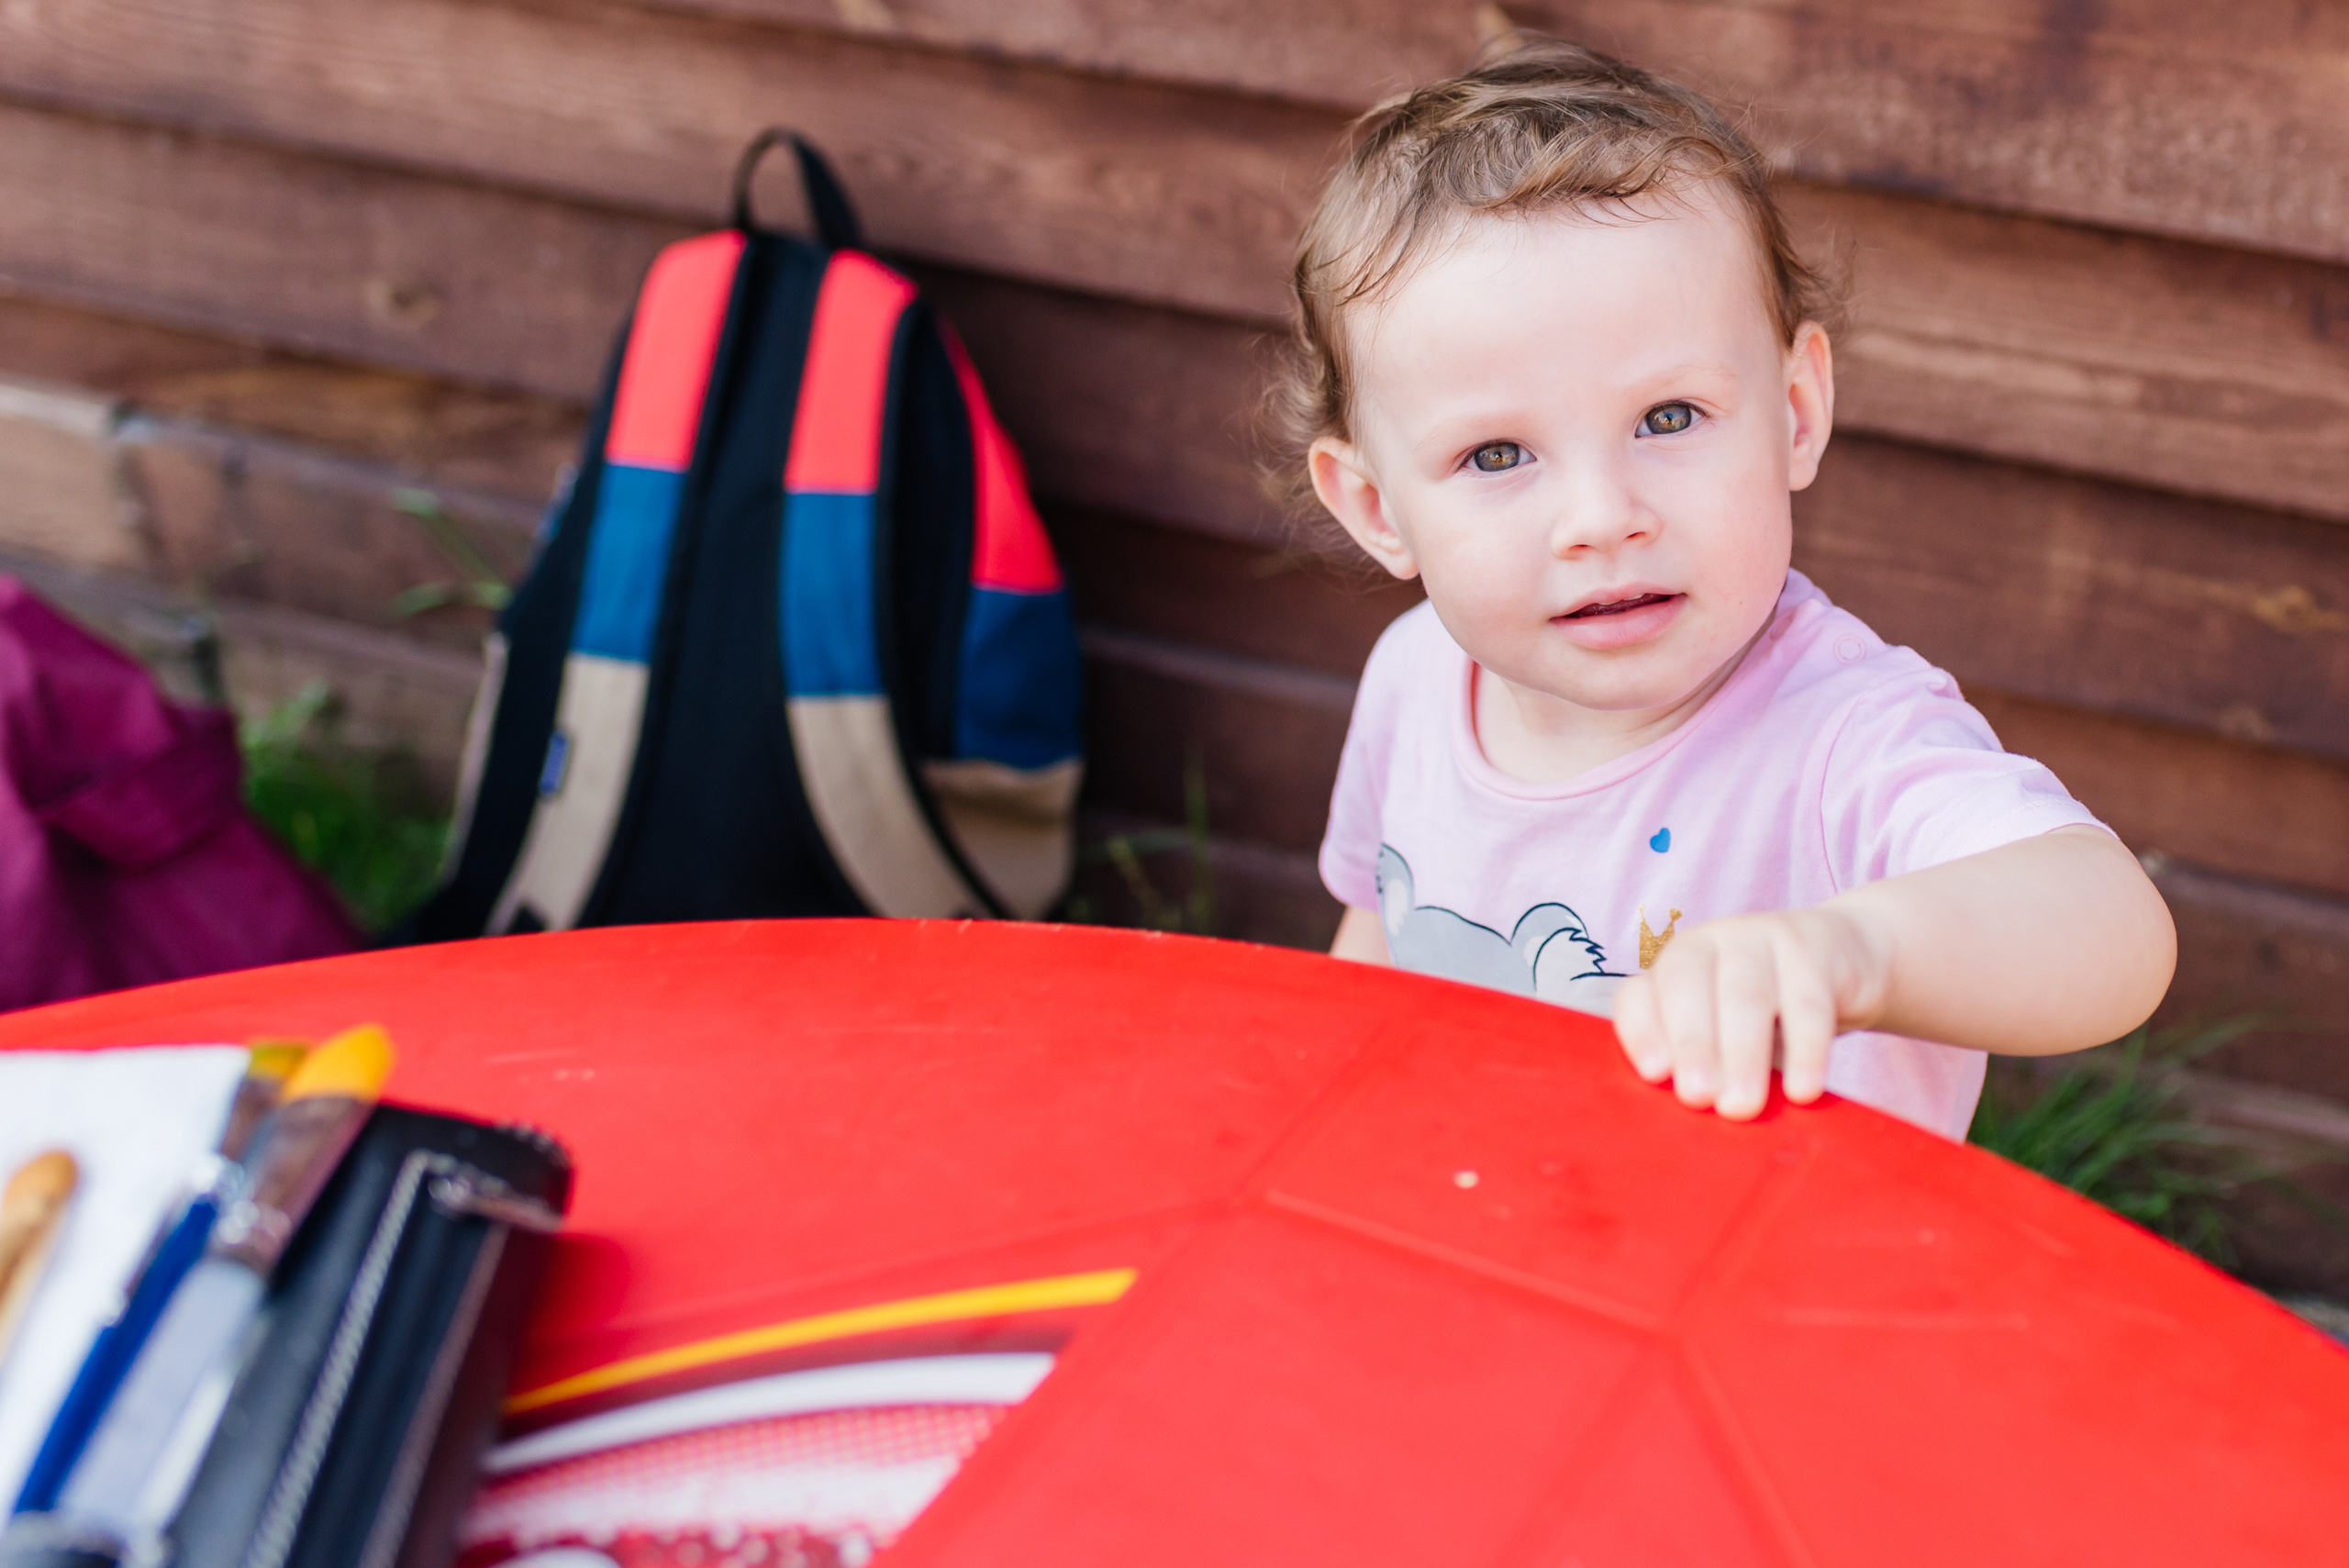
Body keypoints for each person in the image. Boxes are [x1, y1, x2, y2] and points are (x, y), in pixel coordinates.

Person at [1282, 39, 2175, 1139]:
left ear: (1795, 412)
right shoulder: (1416, 674)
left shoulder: (1844, 737)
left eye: (1668, 418)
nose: (1602, 515)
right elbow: (1377, 943)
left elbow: (2111, 927)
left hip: (1779, 1248)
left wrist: (1852, 950)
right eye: (1497, 454)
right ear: (1375, 506)